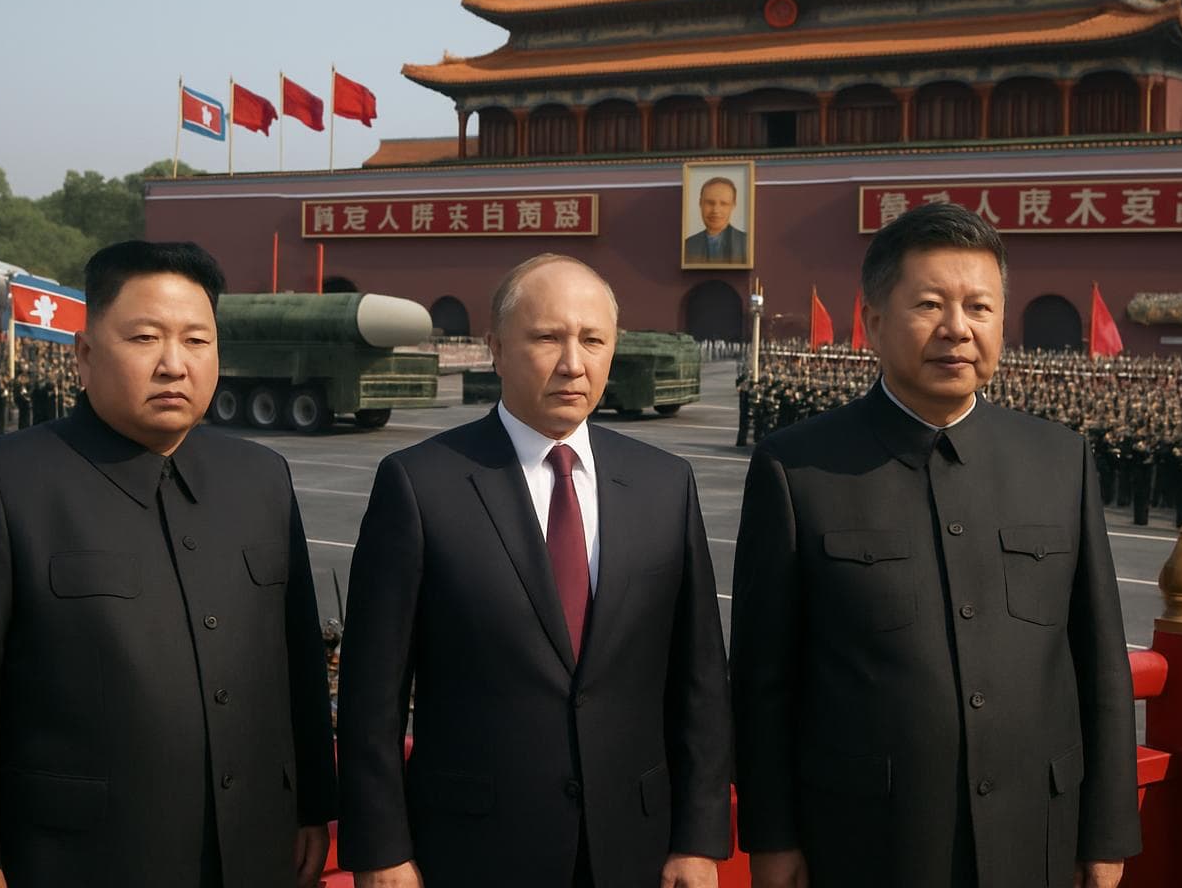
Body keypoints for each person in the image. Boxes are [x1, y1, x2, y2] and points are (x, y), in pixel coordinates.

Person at [730, 204, 1140, 888]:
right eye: (930, 304)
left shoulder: (1058, 459)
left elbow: (1099, 661)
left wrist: (1106, 832)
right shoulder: (797, 469)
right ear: (875, 322)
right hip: (866, 839)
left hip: (1034, 832)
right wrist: (771, 837)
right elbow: (764, 678)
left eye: (980, 306)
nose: (958, 328)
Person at [0, 240, 336, 888]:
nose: (173, 364)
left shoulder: (261, 478)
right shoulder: (6, 483)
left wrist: (313, 804)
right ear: (84, 354)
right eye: (144, 338)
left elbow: (297, 659)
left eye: (196, 340)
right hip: (82, 859)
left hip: (256, 853)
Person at [337, 253, 732, 888]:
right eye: (547, 337)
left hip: (635, 845)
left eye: (593, 340)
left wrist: (700, 837)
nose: (573, 363)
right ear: (495, 347)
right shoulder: (420, 484)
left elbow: (701, 680)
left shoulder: (665, 484)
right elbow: (371, 695)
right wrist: (381, 849)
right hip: (474, 846)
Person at [683, 176, 749, 264]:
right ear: (700, 203)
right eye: (710, 203)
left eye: (723, 204)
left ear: (733, 205)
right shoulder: (687, 245)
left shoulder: (746, 243)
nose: (715, 210)